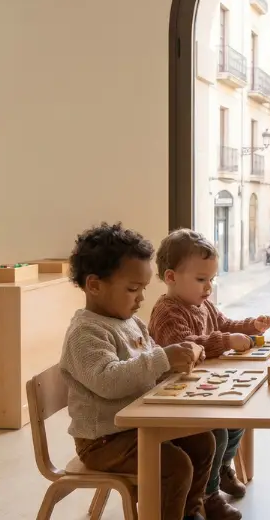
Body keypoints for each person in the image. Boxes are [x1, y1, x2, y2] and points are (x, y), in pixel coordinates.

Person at [59, 223, 213, 520]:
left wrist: (177, 365)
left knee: (202, 439)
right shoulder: (85, 333)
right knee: (173, 466)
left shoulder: (130, 321)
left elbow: (150, 363)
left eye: (143, 289)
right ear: (94, 285)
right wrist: (164, 359)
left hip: (134, 427)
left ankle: (191, 513)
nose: (141, 298)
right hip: (103, 441)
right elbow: (109, 381)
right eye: (132, 289)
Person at [148, 229, 270, 520]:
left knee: (236, 422)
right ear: (171, 278)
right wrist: (227, 341)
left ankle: (218, 470)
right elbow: (185, 349)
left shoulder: (202, 304)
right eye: (201, 280)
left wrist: (251, 326)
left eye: (212, 279)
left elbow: (224, 323)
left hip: (198, 386)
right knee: (217, 431)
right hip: (173, 395)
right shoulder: (167, 312)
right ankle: (210, 494)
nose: (208, 287)